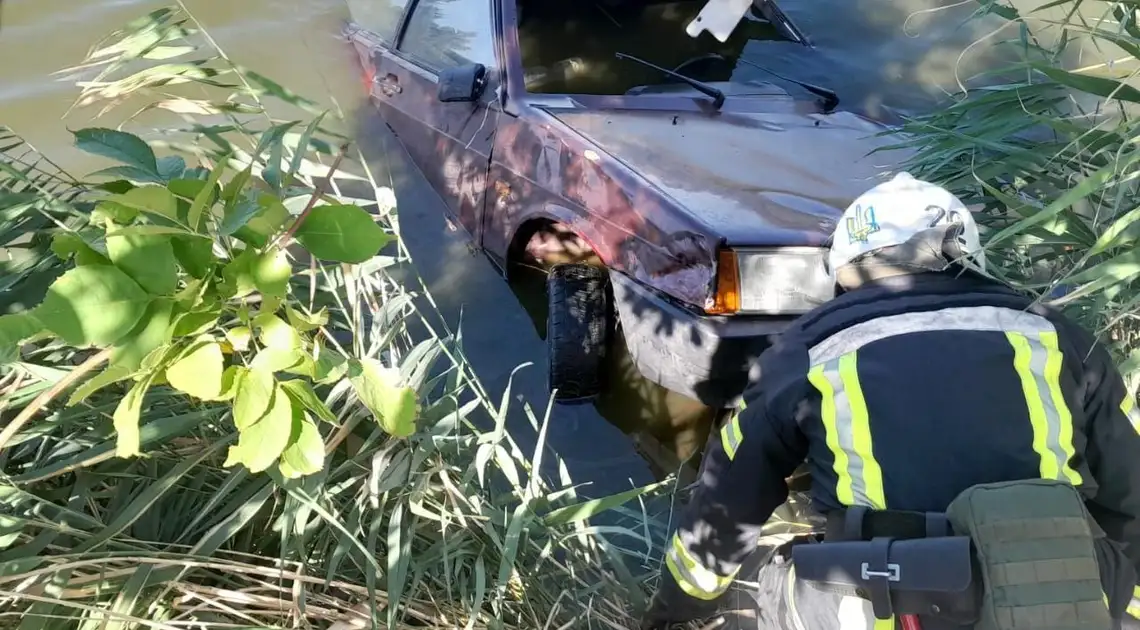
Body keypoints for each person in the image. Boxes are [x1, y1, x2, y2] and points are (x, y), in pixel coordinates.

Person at [640, 172, 1140, 630]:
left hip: (891, 608)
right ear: (965, 253)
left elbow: (728, 498)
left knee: (762, 571)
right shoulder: (1059, 335)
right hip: (1056, 600)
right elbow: (1129, 487)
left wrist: (677, 612)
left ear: (845, 266)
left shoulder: (807, 351)